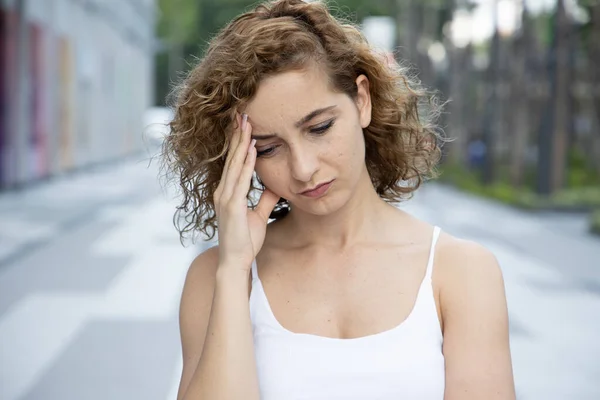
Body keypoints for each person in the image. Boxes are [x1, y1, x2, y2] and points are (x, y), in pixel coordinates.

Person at [161, 0, 516, 399]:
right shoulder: (216, 276)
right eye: (268, 148)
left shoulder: (461, 271)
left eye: (319, 127)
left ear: (361, 100)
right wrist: (234, 269)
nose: (303, 168)